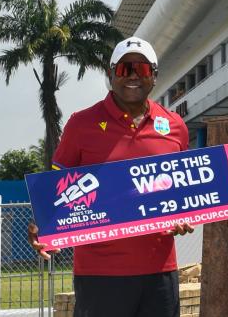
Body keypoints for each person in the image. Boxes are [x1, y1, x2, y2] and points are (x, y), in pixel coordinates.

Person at [29, 36, 192, 317]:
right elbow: (57, 191)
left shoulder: (175, 126)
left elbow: (183, 192)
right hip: (99, 275)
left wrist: (184, 214)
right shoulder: (81, 124)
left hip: (160, 273)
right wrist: (41, 225)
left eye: (140, 69)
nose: (131, 76)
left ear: (154, 76)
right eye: (123, 69)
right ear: (110, 75)